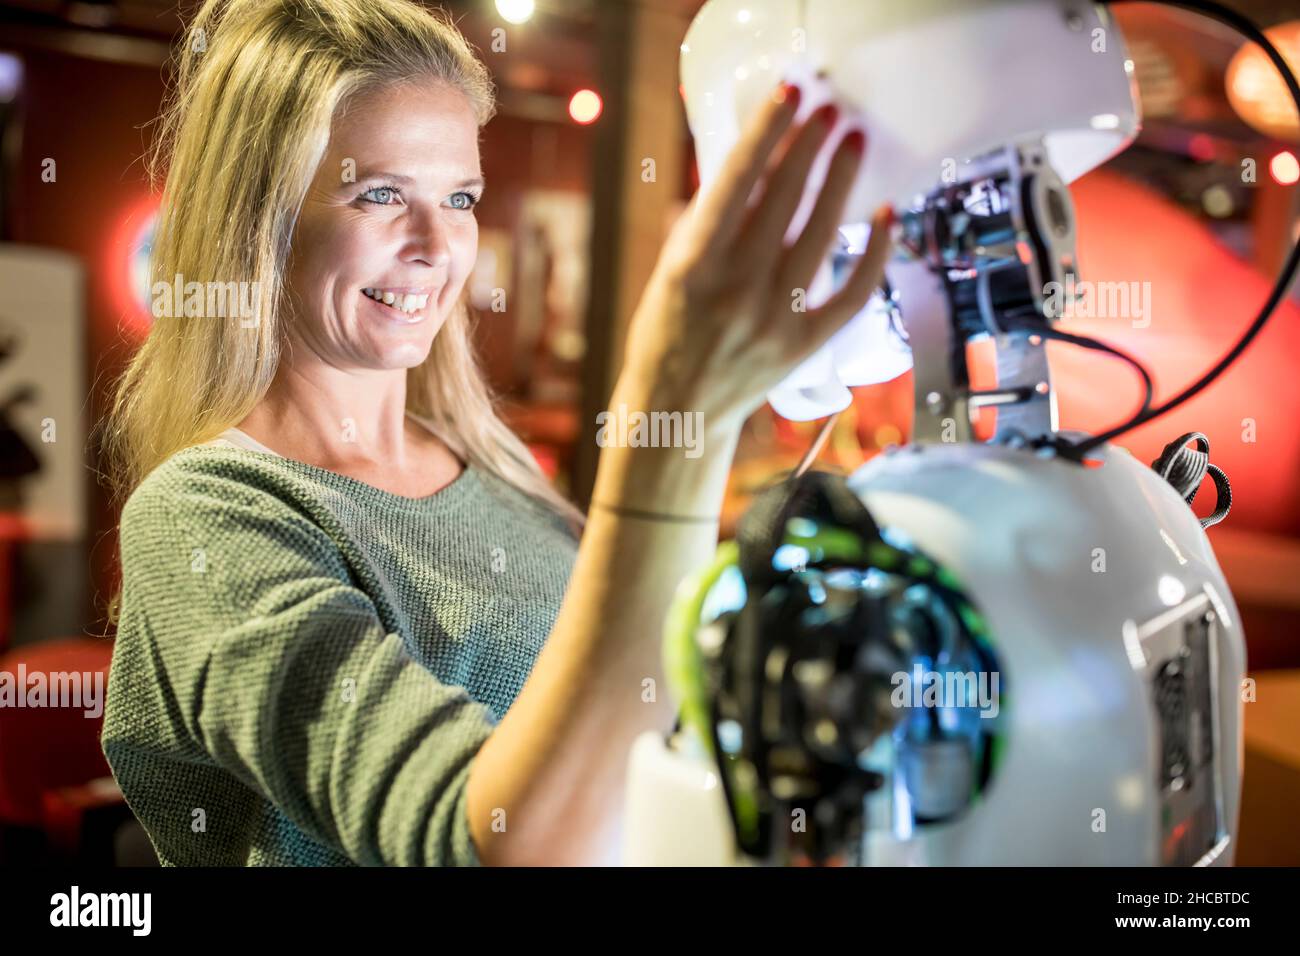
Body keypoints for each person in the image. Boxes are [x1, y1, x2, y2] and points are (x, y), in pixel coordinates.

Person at [99, 0, 892, 866]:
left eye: (460, 198)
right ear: (260, 218)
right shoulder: (205, 521)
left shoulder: (490, 469)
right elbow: (484, 844)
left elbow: (647, 715)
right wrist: (672, 417)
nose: (438, 245)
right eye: (380, 194)